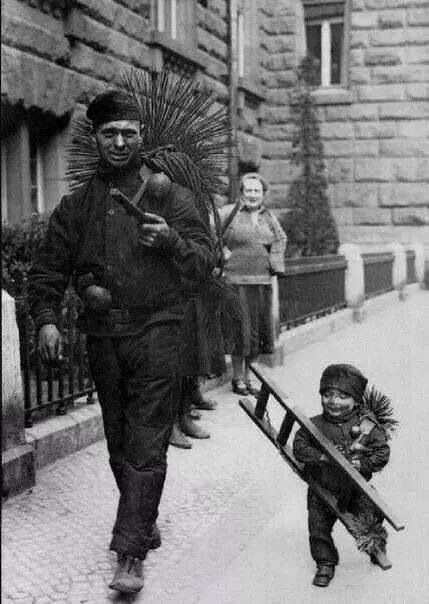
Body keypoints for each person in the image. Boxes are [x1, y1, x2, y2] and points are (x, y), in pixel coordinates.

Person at [28, 89, 215, 595]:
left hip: (160, 330)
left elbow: (204, 262)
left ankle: (129, 554)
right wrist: (47, 319)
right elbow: (46, 271)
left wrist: (172, 242)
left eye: (128, 133)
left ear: (141, 136)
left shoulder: (169, 196)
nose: (119, 142)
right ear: (96, 136)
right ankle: (142, 515)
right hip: (105, 336)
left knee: (147, 439)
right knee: (118, 439)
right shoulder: (78, 205)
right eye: (109, 133)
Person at [293, 364, 394, 588]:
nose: (334, 401)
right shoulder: (313, 425)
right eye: (327, 394)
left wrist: (364, 463)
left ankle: (375, 547)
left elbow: (382, 451)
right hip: (323, 489)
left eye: (342, 396)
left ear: (356, 401)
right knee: (318, 527)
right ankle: (325, 563)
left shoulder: (366, 425)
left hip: (357, 489)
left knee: (372, 515)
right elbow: (299, 447)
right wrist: (322, 457)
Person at [220, 172, 287, 396]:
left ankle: (251, 379)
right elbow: (210, 234)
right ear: (241, 193)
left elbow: (280, 239)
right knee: (240, 332)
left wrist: (274, 263)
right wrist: (221, 254)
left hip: (261, 282)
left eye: (256, 191)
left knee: (258, 332)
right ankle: (237, 379)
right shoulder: (229, 213)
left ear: (263, 194)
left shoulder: (269, 217)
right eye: (248, 190)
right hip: (235, 282)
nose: (252, 195)